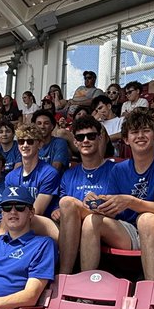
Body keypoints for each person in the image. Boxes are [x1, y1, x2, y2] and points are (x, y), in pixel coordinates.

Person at [82, 108, 154, 280]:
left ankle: (151, 289)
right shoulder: (118, 169)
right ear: (126, 139)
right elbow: (112, 211)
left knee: (146, 219)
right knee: (91, 221)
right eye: (134, 132)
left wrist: (130, 201)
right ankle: (84, 286)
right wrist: (95, 202)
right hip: (127, 230)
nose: (140, 136)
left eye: (146, 131)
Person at [53, 115, 116, 274]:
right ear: (75, 142)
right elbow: (61, 207)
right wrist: (57, 211)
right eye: (80, 137)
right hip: (71, 227)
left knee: (71, 205)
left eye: (91, 136)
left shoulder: (115, 170)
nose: (85, 140)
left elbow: (117, 211)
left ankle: (64, 274)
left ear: (100, 138)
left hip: (104, 225)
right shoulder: (68, 175)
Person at [5, 123, 62, 232]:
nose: (25, 145)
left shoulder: (49, 173)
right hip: (17, 221)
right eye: (21, 141)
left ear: (40, 144)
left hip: (42, 223)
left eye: (30, 142)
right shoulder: (10, 177)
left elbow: (37, 211)